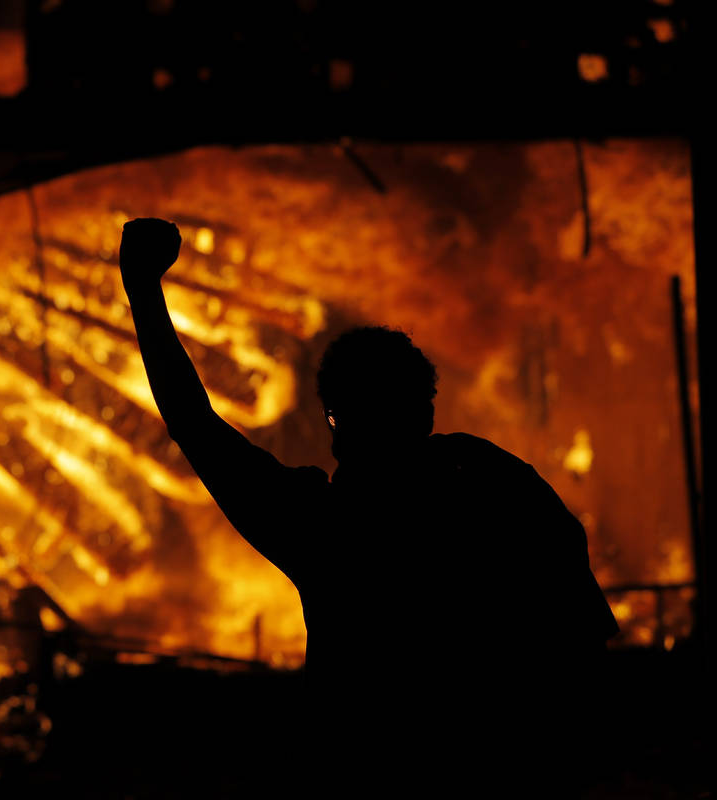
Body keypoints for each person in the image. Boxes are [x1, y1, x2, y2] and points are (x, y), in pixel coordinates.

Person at [118, 217, 618, 794]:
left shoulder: (325, 530)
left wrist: (143, 289)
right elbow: (586, 649)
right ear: (426, 411)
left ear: (335, 421)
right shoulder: (501, 485)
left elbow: (195, 426)